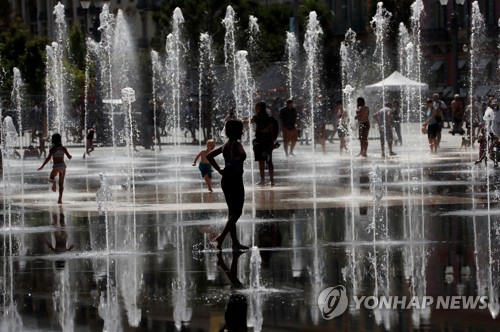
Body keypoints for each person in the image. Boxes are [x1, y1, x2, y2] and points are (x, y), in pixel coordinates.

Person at [206, 119, 249, 251]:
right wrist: (235, 162)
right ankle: (221, 237)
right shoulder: (236, 144)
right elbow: (242, 155)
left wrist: (220, 169)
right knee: (238, 212)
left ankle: (235, 242)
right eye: (241, 129)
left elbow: (209, 156)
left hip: (226, 180)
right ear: (238, 131)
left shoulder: (225, 145)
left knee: (232, 212)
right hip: (235, 180)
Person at [38, 133, 72, 204]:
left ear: (53, 140)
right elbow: (69, 157)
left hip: (56, 166)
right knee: (61, 184)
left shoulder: (52, 149)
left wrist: (42, 166)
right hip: (63, 166)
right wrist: (70, 156)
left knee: (51, 177)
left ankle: (53, 182)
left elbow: (48, 158)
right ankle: (60, 199)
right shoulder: (63, 148)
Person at [251, 101, 278, 186]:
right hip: (268, 142)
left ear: (259, 108)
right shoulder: (269, 118)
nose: (256, 109)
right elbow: (274, 130)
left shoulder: (258, 117)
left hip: (261, 141)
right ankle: (271, 180)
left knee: (261, 161)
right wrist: (273, 141)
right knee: (269, 160)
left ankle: (263, 180)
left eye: (257, 108)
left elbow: (249, 121)